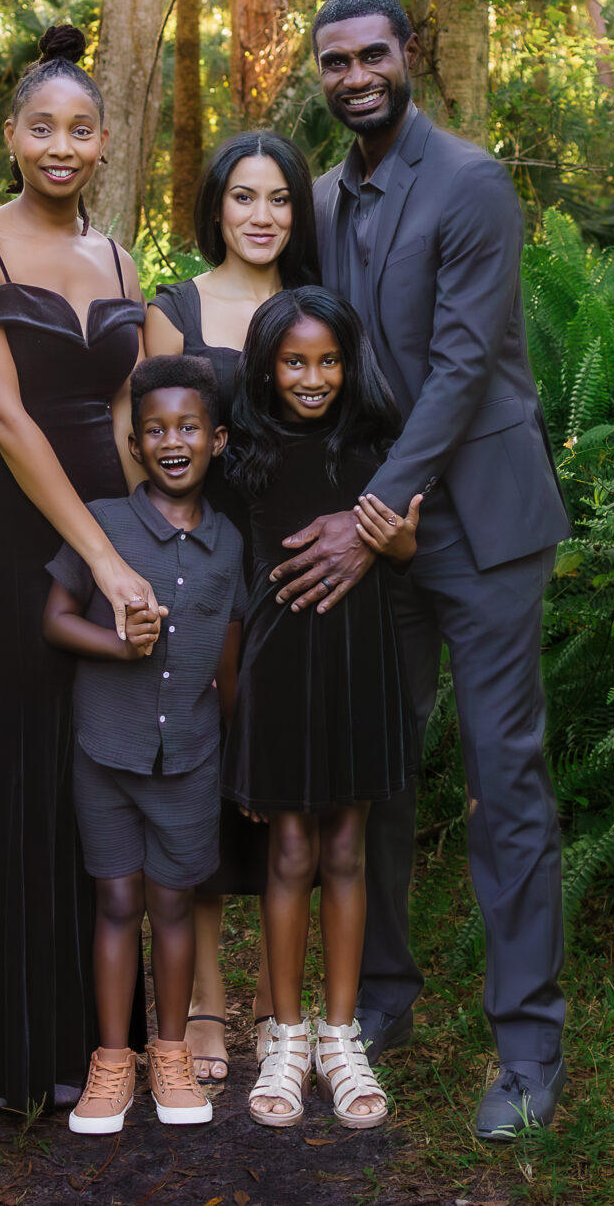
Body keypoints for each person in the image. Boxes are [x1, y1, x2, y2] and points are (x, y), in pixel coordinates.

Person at [268, 0, 573, 1139]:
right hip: (373, 524)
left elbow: (459, 368)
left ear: (409, 57)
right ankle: (379, 997)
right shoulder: (326, 201)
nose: (353, 76)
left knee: (504, 783)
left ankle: (528, 1050)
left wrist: (373, 512)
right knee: (373, 769)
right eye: (332, 60)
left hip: (475, 522)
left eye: (371, 55)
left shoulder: (471, 185)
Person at [0, 23, 156, 1114]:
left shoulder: (119, 261)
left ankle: (89, 1039)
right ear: (10, 137)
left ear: (103, 143)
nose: (60, 146)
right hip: (1, 534)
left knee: (86, 767)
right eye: (40, 128)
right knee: (10, 752)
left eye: (80, 129)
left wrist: (141, 540)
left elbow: (123, 411)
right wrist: (103, 556)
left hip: (100, 522)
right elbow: (8, 421)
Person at [143, 129, 321, 1085]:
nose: (263, 216)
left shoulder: (311, 308)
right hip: (203, 565)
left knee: (281, 779)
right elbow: (147, 445)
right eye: (245, 197)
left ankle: (273, 993)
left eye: (281, 199)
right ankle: (207, 993)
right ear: (216, 206)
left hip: (293, 570)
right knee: (201, 779)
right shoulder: (175, 308)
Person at [222, 288, 422, 1130]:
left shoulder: (374, 444)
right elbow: (228, 593)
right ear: (267, 366)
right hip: (279, 674)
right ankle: (286, 1036)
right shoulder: (244, 458)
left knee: (347, 844)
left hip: (358, 668)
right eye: (296, 362)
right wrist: (235, 714)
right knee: (292, 847)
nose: (314, 377)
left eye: (329, 360)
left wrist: (396, 541)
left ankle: (343, 1038)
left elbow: (409, 547)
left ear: (351, 362)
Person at [41, 355, 246, 1134]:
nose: (172, 440)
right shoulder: (102, 527)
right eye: (155, 428)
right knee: (119, 901)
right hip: (107, 754)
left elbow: (228, 657)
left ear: (217, 439)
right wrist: (115, 645)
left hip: (191, 760)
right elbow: (54, 618)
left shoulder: (230, 545)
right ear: (134, 443)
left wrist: (239, 752)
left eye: (188, 427)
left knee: (173, 903)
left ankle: (170, 1052)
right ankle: (113, 1061)